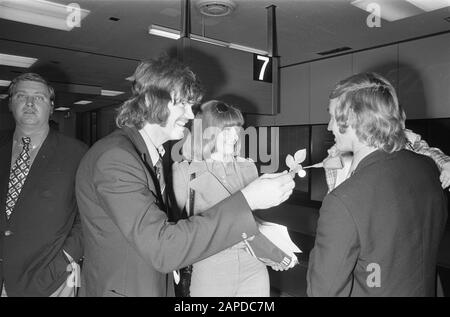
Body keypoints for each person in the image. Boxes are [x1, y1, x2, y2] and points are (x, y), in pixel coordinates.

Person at [75, 56, 295, 297]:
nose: (191, 115)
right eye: (183, 104)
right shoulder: (116, 158)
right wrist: (247, 200)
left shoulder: (148, 156)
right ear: (150, 100)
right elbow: (162, 247)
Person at [306, 72, 448, 296]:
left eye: (333, 116)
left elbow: (324, 290)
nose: (329, 126)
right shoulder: (427, 168)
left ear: (352, 118)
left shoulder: (342, 201)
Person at [172, 100, 276, 297]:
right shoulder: (185, 171)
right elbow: (176, 227)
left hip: (253, 263)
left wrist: (272, 249)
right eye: (226, 131)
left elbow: (251, 220)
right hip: (209, 264)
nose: (235, 136)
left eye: (237, 129)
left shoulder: (248, 168)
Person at [0, 73, 87, 297]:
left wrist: (66, 257)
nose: (29, 103)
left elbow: (88, 216)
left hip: (50, 280)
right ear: (10, 103)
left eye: (38, 98)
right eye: (21, 96)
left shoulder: (77, 153)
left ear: (51, 106)